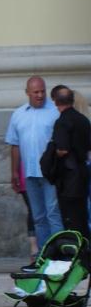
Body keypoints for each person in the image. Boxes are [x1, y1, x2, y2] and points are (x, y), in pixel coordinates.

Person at [6, 75, 62, 250]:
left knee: (53, 214)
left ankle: (59, 254)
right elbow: (15, 145)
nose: (40, 95)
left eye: (43, 91)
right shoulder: (18, 114)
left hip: (51, 173)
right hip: (30, 173)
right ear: (27, 92)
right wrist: (14, 172)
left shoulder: (55, 112)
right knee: (38, 217)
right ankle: (43, 254)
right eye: (36, 92)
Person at [50, 84, 91, 238]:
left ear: (56, 102)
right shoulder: (83, 120)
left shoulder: (62, 121)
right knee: (82, 217)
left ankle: (76, 250)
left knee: (71, 220)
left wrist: (52, 153)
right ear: (72, 100)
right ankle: (85, 248)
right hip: (82, 172)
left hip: (68, 177)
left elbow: (62, 149)